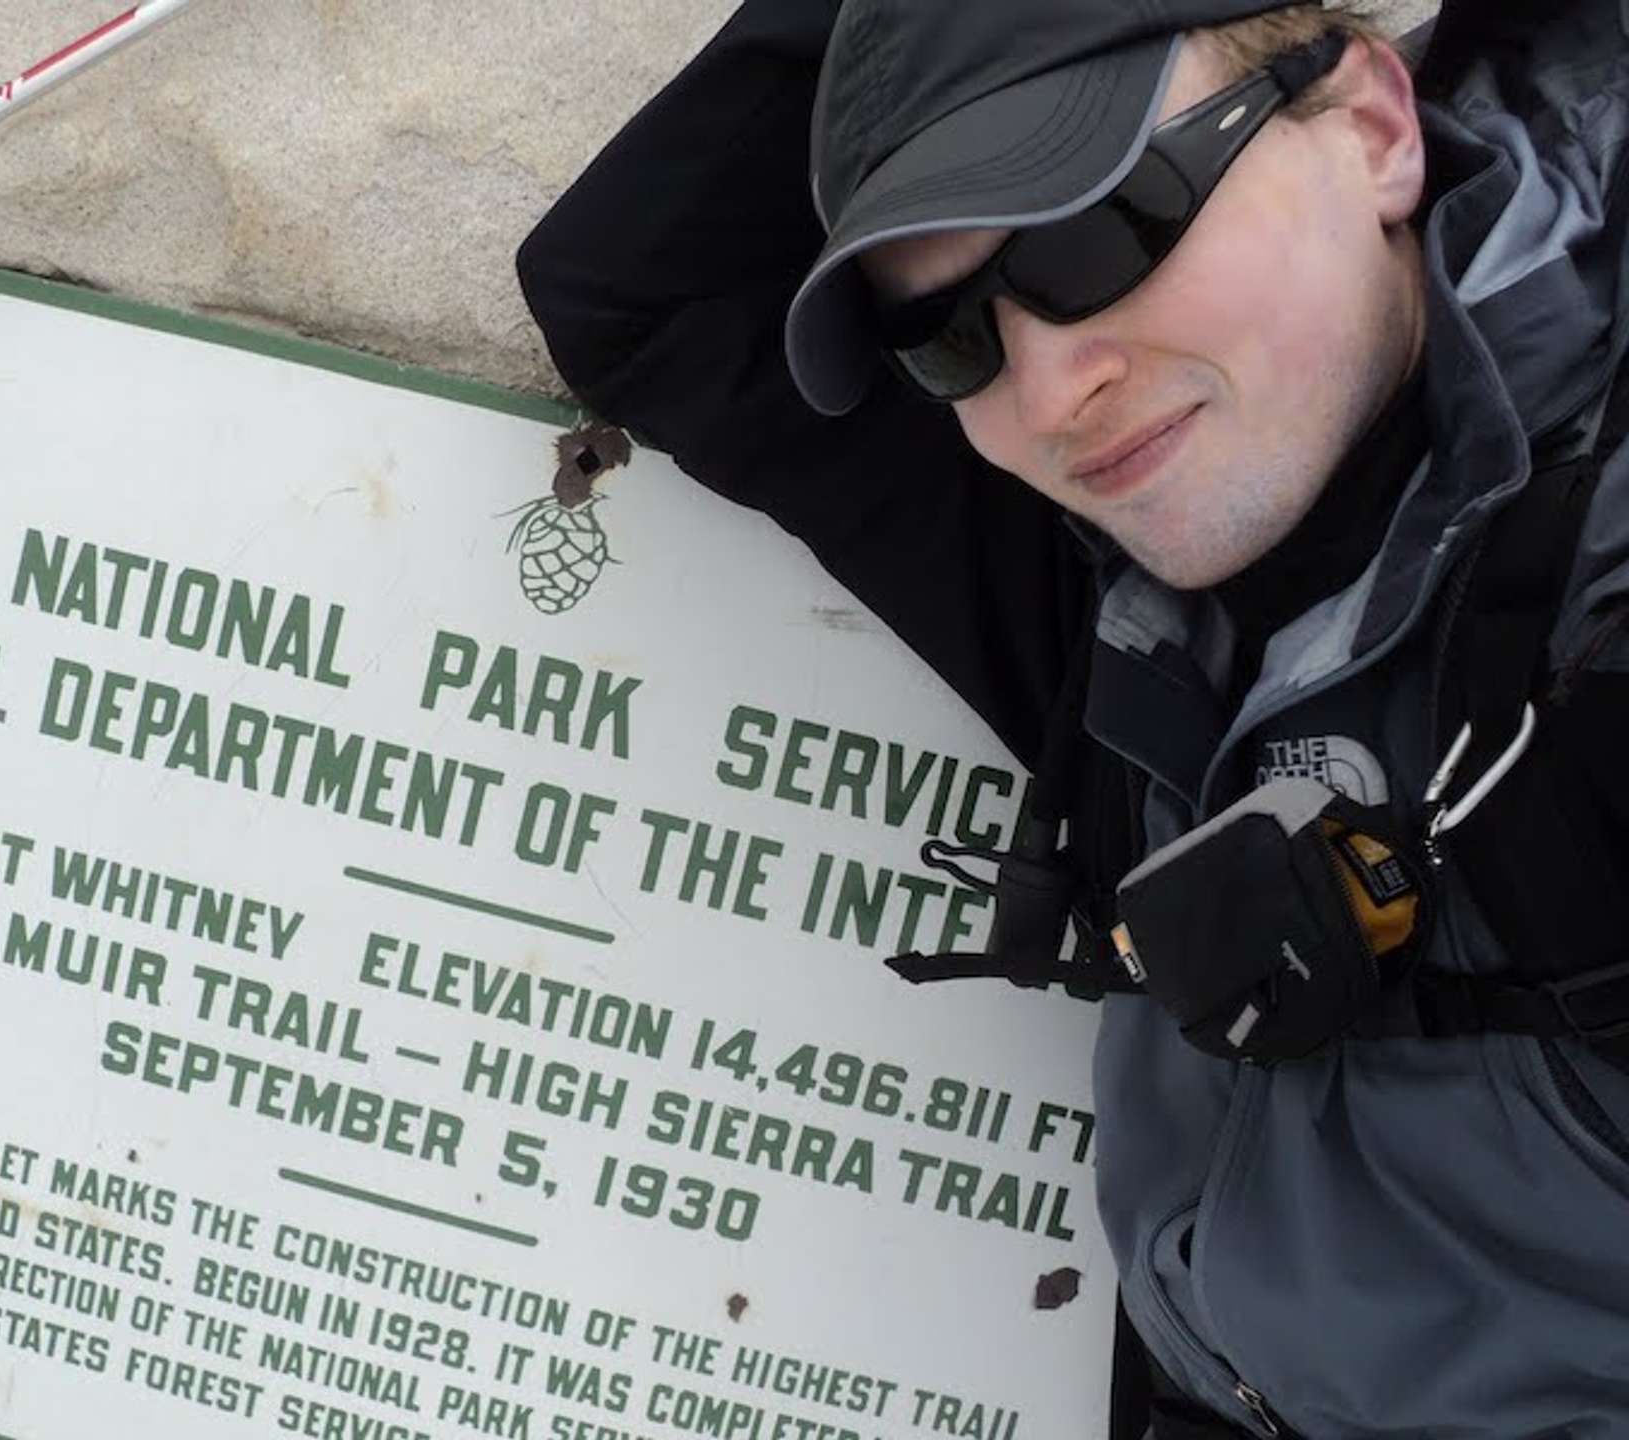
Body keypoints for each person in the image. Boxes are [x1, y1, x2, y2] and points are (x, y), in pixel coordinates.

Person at [518, 1, 1629, 1435]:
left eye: (1097, 236)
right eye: (950, 337)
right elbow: (644, 291)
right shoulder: (1118, 592)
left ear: (1370, 127)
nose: (1050, 390)